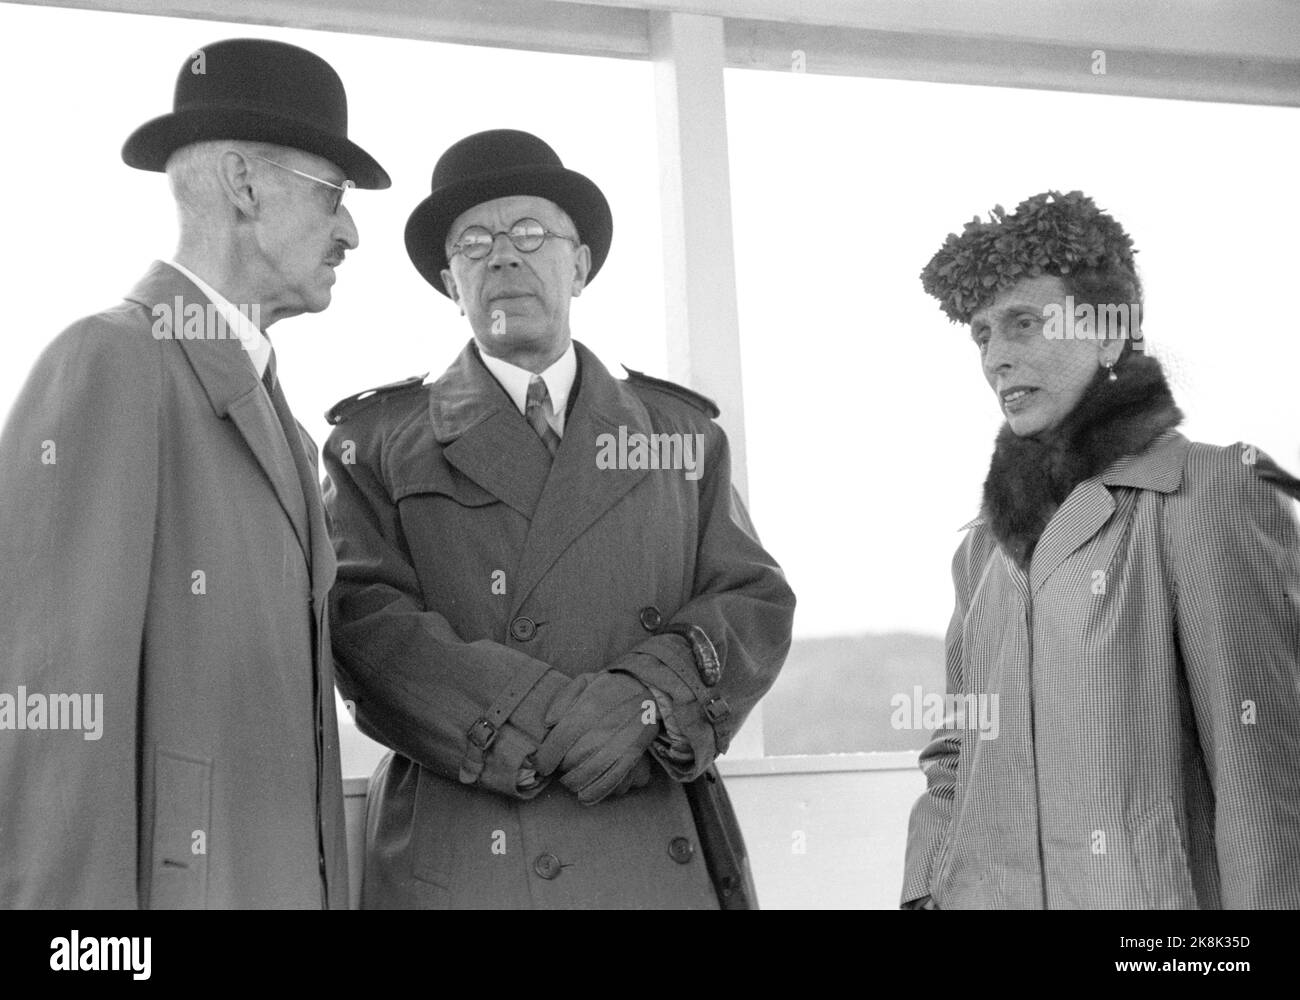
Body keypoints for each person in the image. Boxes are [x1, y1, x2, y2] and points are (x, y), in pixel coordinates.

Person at [323, 128, 795, 908]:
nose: (504, 256)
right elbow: (365, 627)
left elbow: (751, 601)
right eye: (474, 242)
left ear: (578, 265)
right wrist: (545, 717)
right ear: (450, 281)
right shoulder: (371, 442)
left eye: (531, 234)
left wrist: (644, 701)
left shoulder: (680, 433)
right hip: (473, 847)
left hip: (647, 828)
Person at [0, 38, 389, 908]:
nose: (352, 231)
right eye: (335, 194)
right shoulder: (110, 363)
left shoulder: (279, 415)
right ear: (245, 185)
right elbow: (52, 731)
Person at [902, 190, 1300, 909]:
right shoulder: (985, 545)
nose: (996, 356)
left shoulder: (1206, 492)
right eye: (983, 333)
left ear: (1110, 335)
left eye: (1024, 322)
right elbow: (955, 752)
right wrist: (925, 892)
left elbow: (1264, 773)